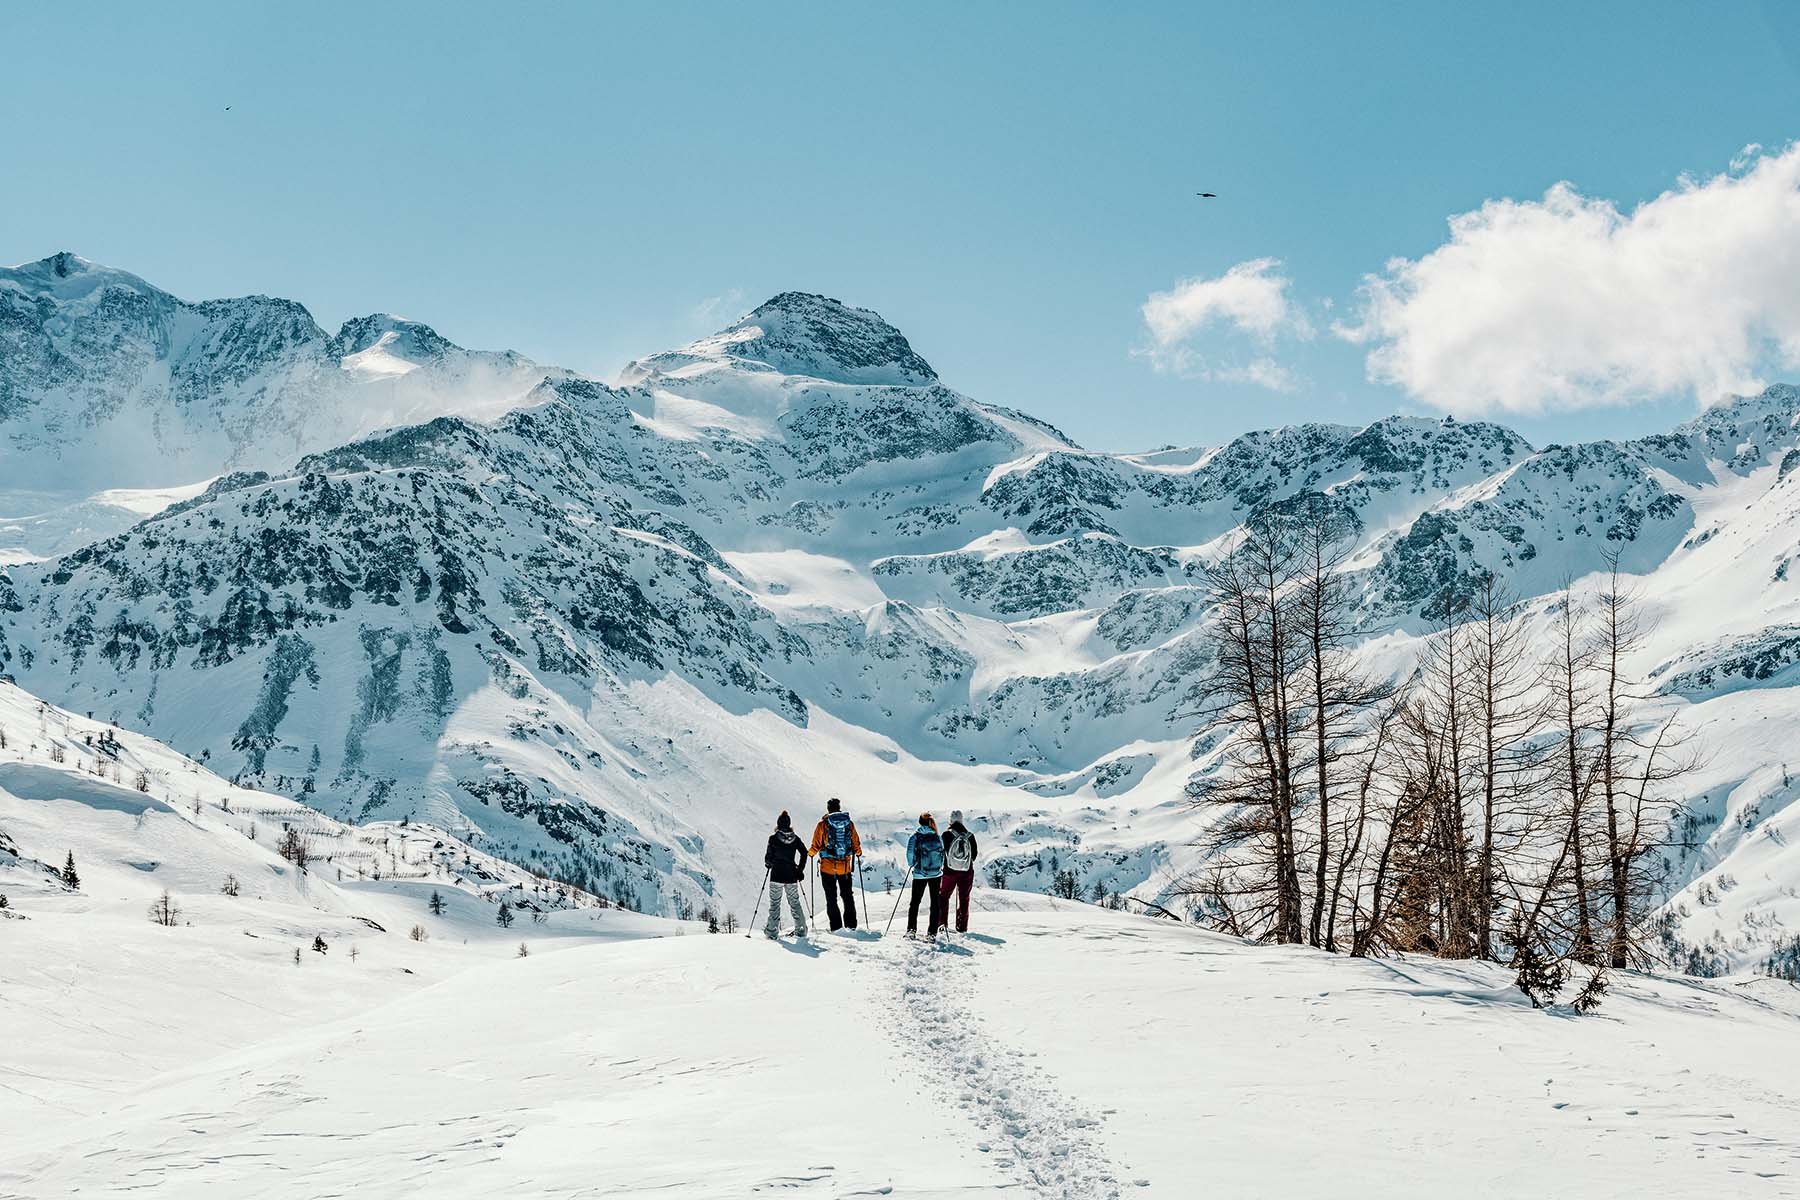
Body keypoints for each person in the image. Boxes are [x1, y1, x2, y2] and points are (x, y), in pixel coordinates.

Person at [809, 797, 862, 930]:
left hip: (827, 867)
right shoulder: (849, 823)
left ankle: (836, 927)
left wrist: (810, 854)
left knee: (831, 898)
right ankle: (851, 926)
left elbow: (816, 844)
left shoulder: (823, 824)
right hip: (844, 867)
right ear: (839, 808)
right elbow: (855, 842)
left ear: (828, 809)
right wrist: (858, 852)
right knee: (847, 896)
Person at [762, 811, 809, 940]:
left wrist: (769, 864)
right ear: (789, 824)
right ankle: (801, 930)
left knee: (775, 904)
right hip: (791, 876)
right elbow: (805, 853)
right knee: (794, 903)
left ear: (778, 824)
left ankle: (771, 932)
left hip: (776, 875)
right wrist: (799, 870)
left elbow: (768, 858)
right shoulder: (795, 839)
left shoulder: (773, 838)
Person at [905, 812, 945, 938]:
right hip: (936, 874)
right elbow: (943, 854)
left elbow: (910, 856)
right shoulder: (937, 836)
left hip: (919, 874)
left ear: (919, 822)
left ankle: (911, 930)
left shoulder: (915, 837)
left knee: (915, 903)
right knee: (935, 903)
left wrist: (913, 864)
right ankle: (932, 933)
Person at [939, 810, 979, 933]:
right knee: (964, 898)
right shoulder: (970, 836)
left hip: (949, 871)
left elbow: (941, 853)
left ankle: (941, 925)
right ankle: (962, 928)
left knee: (943, 897)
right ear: (962, 820)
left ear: (950, 820)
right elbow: (974, 855)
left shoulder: (946, 834)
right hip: (966, 872)